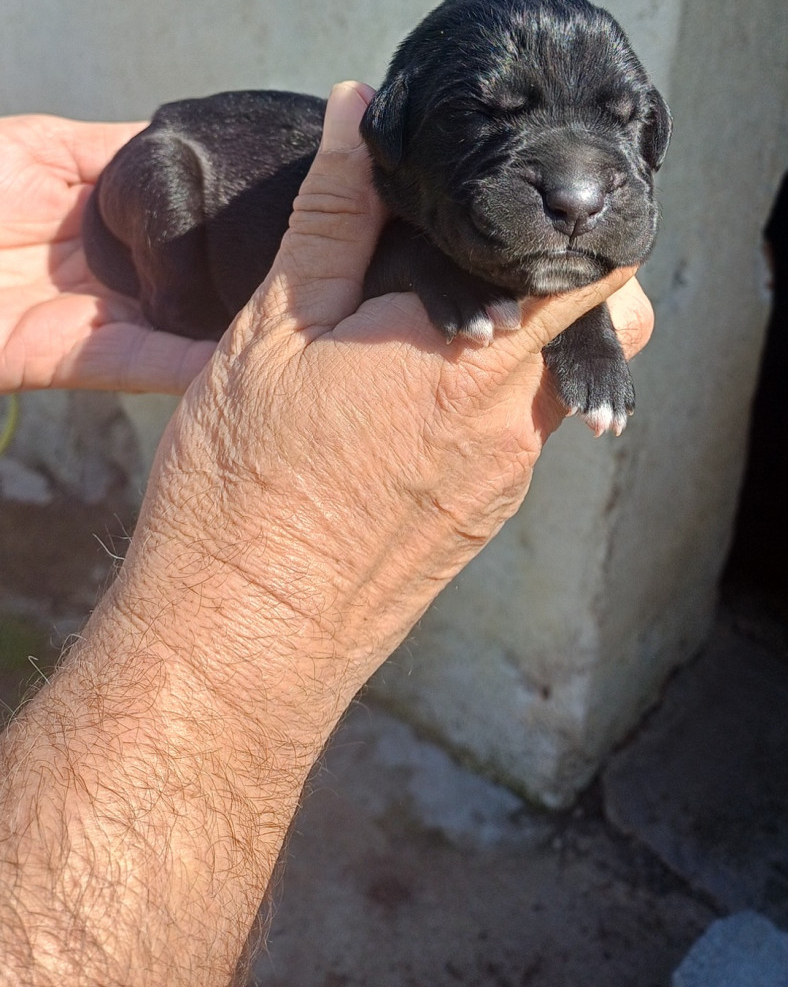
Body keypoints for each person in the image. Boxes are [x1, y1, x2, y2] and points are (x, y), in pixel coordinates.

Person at [0, 84, 652, 986]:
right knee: (173, 208)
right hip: (169, 185)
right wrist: (279, 571)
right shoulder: (409, 201)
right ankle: (170, 294)